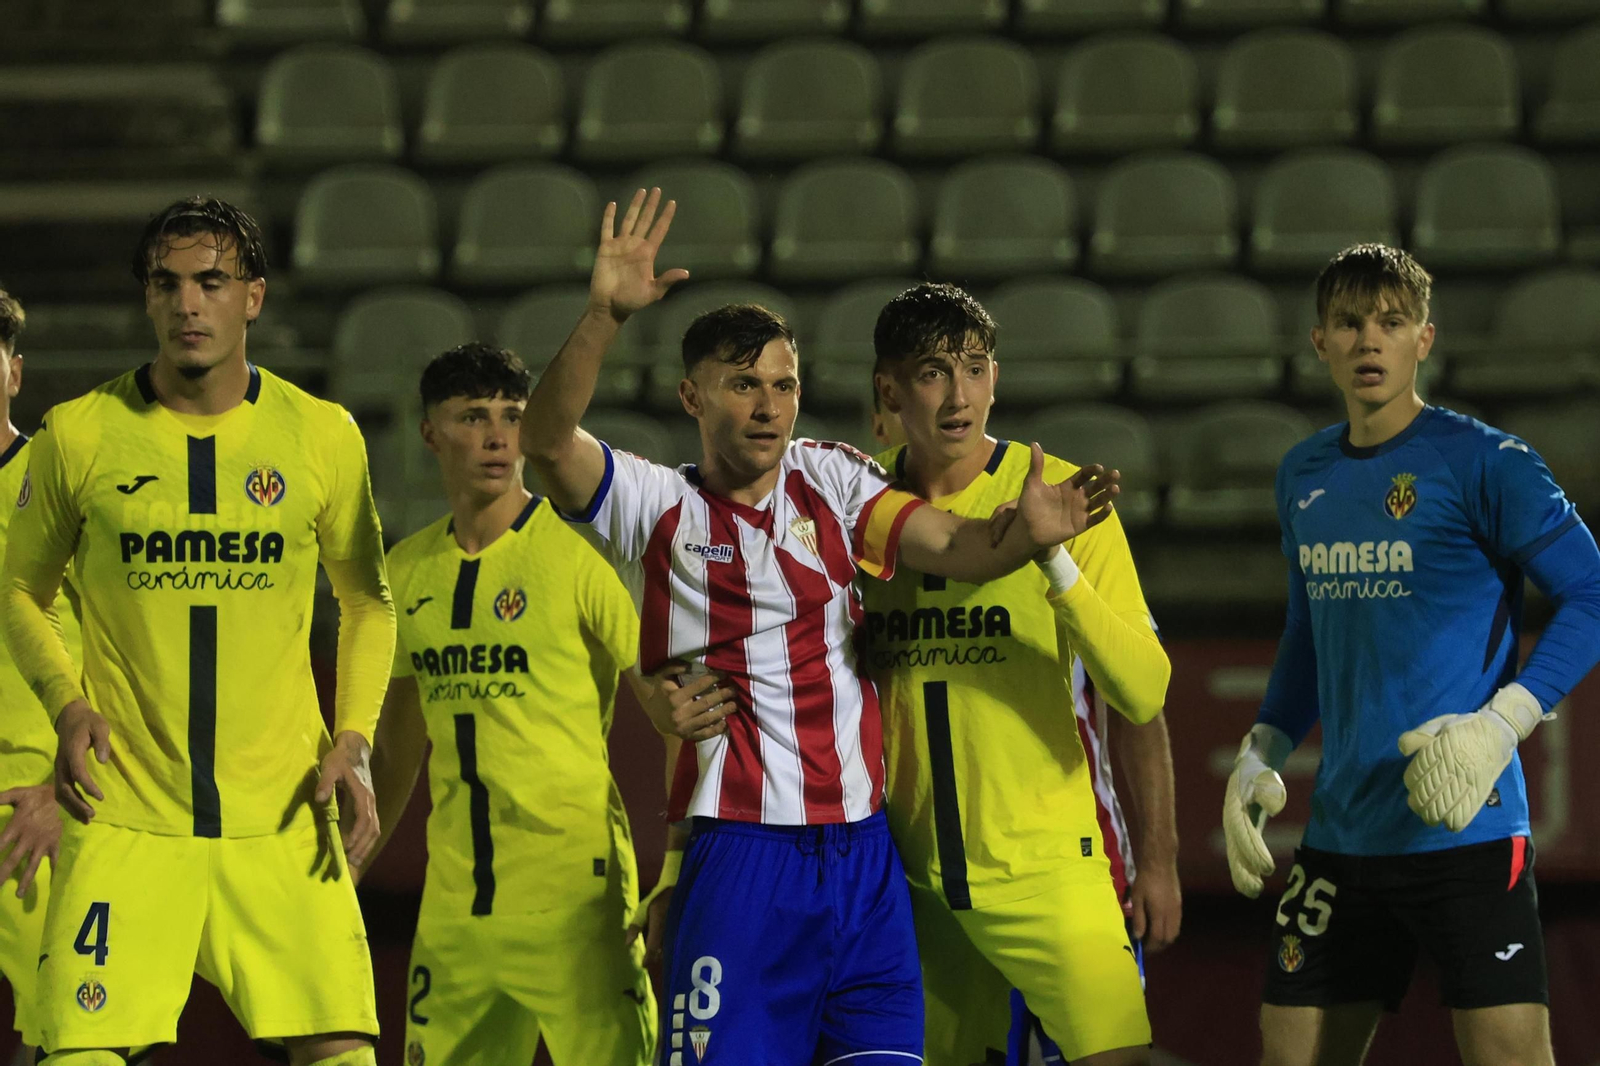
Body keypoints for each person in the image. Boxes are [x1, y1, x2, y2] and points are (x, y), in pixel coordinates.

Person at [519, 188, 1118, 1065]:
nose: (768, 405)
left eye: (784, 384)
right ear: (692, 395)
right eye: (743, 385)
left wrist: (1024, 533)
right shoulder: (654, 505)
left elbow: (951, 542)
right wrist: (605, 315)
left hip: (867, 864)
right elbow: (545, 441)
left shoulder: (833, 478)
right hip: (741, 861)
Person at [0, 198, 395, 1066]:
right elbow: (19, 591)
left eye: (211, 282)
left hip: (284, 818)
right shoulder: (79, 435)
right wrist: (66, 707)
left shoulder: (322, 436)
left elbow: (368, 602)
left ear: (251, 297)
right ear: (147, 298)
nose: (188, 304)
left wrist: (357, 737)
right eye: (167, 284)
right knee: (78, 1056)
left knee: (344, 1053)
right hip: (126, 820)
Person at [1222, 244, 1600, 1066]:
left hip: (1467, 833)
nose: (1370, 341)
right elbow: (1306, 636)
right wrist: (1263, 750)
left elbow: (1592, 594)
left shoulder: (1486, 463)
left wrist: (1505, 723)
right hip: (1341, 838)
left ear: (1424, 339)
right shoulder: (1302, 474)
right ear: (1318, 340)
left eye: (1391, 324)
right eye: (1350, 323)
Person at [863, 283, 1173, 1066]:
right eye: (934, 373)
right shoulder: (853, 504)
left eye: (974, 369)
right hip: (910, 882)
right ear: (889, 390)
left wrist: (1057, 564)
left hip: (1048, 868)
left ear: (996, 378)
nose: (959, 395)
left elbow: (1142, 692)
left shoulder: (1068, 502)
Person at [364, 342, 656, 1066]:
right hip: (456, 911)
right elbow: (396, 751)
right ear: (430, 432)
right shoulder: (404, 572)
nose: (498, 436)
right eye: (473, 417)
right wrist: (349, 869)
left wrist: (681, 865)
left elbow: (677, 710)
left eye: (512, 416)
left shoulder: (581, 555)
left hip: (578, 903)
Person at [0, 285, 81, 1066]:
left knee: (65, 1033)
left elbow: (129, 656)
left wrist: (64, 795)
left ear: (15, 374)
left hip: (30, 804)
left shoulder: (62, 492)